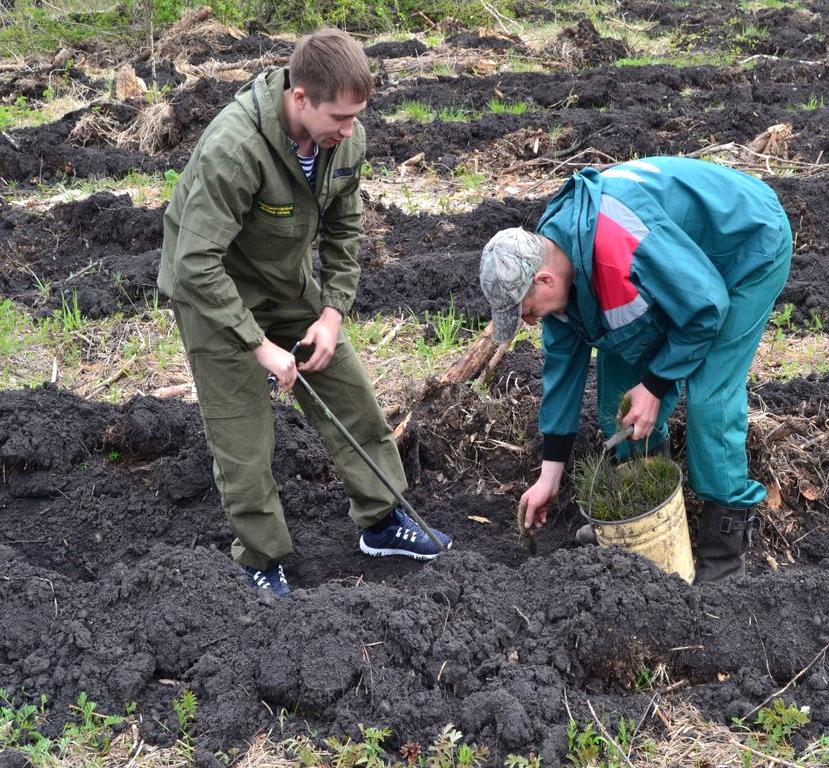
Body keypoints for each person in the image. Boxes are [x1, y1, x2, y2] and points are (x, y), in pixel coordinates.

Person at [159, 29, 451, 598]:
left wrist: (333, 312)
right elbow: (195, 264)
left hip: (285, 282)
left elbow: (345, 230)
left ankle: (383, 520)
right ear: (299, 97)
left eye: (355, 117)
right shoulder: (235, 148)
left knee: (350, 393)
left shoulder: (346, 140)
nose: (350, 130)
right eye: (339, 117)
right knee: (244, 436)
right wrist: (258, 346)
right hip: (212, 293)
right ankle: (262, 559)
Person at [479, 157, 792, 582]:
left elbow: (705, 309)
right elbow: (561, 369)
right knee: (621, 403)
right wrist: (549, 473)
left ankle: (724, 551)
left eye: (527, 311)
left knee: (709, 399)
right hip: (681, 275)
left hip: (744, 248)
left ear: (546, 282)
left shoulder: (616, 246)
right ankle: (643, 521)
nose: (530, 322)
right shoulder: (559, 257)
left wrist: (656, 383)